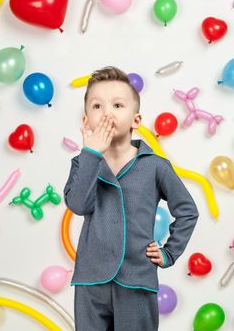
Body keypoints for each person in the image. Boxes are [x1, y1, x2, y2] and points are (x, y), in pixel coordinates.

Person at [63, 66, 199, 331]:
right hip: (91, 281)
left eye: (117, 105)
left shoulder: (155, 166)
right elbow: (78, 205)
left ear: (136, 120)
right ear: (86, 121)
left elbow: (187, 211)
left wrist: (169, 252)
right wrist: (91, 153)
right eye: (97, 106)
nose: (107, 113)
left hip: (137, 278)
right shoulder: (82, 163)